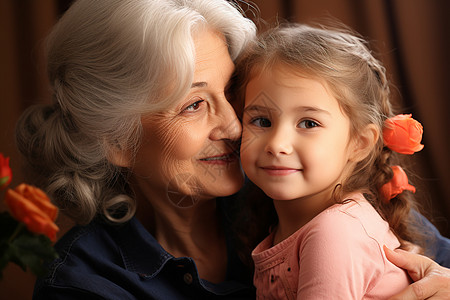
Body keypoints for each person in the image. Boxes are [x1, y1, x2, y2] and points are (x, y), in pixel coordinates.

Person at [12, 0, 449, 298]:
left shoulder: (296, 191)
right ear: (115, 140)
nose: (236, 125)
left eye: (232, 92)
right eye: (194, 105)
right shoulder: (84, 282)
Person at [234, 23, 450, 299]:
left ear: (360, 143)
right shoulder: (288, 221)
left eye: (308, 123)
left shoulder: (334, 233)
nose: (277, 144)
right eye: (261, 121)